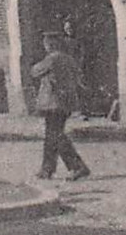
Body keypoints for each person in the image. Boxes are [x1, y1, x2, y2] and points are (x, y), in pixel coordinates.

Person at [29, 29, 91, 181]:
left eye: (46, 43)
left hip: (53, 103)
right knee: (52, 136)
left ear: (50, 45)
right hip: (66, 103)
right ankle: (47, 169)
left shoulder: (51, 59)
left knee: (55, 136)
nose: (45, 46)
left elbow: (34, 72)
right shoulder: (69, 59)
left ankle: (78, 166)